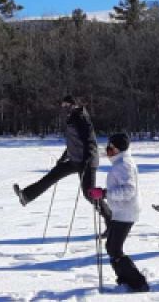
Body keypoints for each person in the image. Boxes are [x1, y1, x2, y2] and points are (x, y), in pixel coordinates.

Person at [13, 95, 111, 228]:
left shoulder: (81, 118)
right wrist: (63, 158)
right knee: (53, 175)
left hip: (87, 160)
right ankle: (26, 195)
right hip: (75, 159)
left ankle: (110, 219)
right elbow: (73, 142)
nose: (64, 109)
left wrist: (88, 157)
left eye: (66, 106)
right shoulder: (72, 118)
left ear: (73, 105)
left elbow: (89, 140)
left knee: (89, 194)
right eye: (63, 106)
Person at [89, 133, 149, 292]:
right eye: (108, 147)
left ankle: (138, 282)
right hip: (121, 211)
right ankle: (124, 279)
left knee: (115, 248)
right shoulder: (121, 162)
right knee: (111, 246)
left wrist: (104, 193)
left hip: (127, 211)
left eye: (111, 147)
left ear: (118, 149)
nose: (108, 150)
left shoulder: (124, 165)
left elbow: (129, 191)